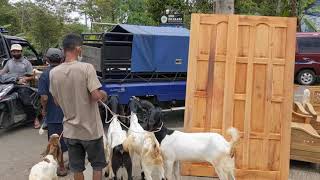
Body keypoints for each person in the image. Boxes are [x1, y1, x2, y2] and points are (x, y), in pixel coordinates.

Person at [49, 33, 107, 180]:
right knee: (97, 166)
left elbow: (56, 102)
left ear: (64, 49)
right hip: (91, 131)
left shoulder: (53, 73)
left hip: (70, 131)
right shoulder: (87, 68)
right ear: (78, 49)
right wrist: (104, 94)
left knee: (77, 168)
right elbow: (96, 96)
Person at [38, 48, 68, 176]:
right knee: (71, 139)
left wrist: (43, 110)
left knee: (56, 142)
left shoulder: (45, 75)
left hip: (54, 115)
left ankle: (61, 167)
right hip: (70, 114)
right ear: (61, 59)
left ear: (47, 60)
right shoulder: (67, 72)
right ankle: (75, 163)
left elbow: (44, 97)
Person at [0, 44, 40, 128]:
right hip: (11, 84)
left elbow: (33, 76)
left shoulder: (26, 62)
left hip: (23, 86)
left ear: (21, 52)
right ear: (11, 52)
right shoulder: (9, 62)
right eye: (14, 51)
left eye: (17, 51)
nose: (15, 53)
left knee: (26, 101)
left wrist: (25, 79)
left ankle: (35, 118)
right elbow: (2, 72)